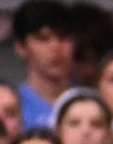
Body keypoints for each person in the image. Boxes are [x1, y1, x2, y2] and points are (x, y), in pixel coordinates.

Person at [11, 0, 72, 129]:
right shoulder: (12, 108)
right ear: (20, 47)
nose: (56, 47)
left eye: (63, 37)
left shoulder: (90, 104)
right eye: (43, 38)